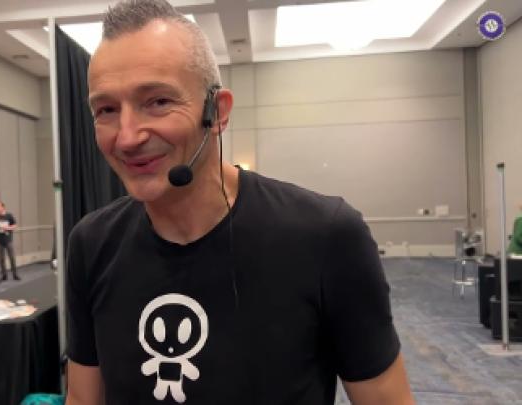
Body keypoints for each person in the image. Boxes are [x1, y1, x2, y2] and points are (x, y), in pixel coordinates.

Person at [64, 1, 414, 404]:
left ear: (217, 112)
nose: (127, 137)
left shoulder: (325, 236)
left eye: (158, 102)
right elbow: (83, 399)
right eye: (106, 109)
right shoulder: (92, 243)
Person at [0, 201, 20, 281]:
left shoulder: (9, 216)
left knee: (12, 258)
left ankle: (15, 274)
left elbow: (15, 226)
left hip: (8, 240)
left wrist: (8, 228)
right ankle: (4, 275)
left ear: (3, 207)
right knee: (2, 259)